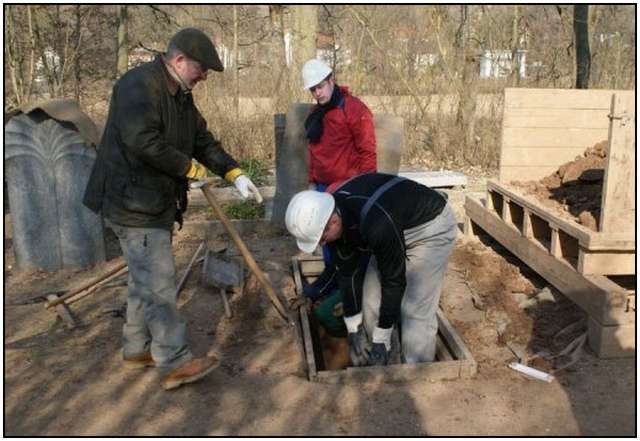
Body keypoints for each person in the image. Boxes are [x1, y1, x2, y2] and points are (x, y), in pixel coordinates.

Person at [83, 28, 262, 390]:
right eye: (201, 68)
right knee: (160, 283)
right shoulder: (137, 86)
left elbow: (202, 140)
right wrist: (188, 168)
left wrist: (233, 171)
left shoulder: (180, 94)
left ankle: (136, 348)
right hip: (133, 203)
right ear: (179, 61)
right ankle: (175, 360)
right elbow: (141, 140)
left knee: (143, 278)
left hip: (153, 202)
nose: (205, 76)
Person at [285, 172, 457, 366]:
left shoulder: (376, 223)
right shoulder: (335, 214)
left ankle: (416, 374)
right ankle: (385, 365)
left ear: (332, 222)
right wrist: (353, 328)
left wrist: (381, 336)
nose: (322, 244)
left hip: (429, 229)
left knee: (415, 308)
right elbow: (346, 273)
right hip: (395, 225)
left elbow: (394, 281)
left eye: (321, 239)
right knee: (370, 299)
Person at [296, 59, 377, 333]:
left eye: (320, 86)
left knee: (350, 245)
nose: (317, 93)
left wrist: (364, 190)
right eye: (312, 90)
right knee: (328, 247)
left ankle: (353, 296)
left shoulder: (354, 110)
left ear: (331, 80)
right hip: (322, 188)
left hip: (346, 189)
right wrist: (311, 183)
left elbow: (367, 152)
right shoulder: (316, 115)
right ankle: (331, 289)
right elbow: (314, 153)